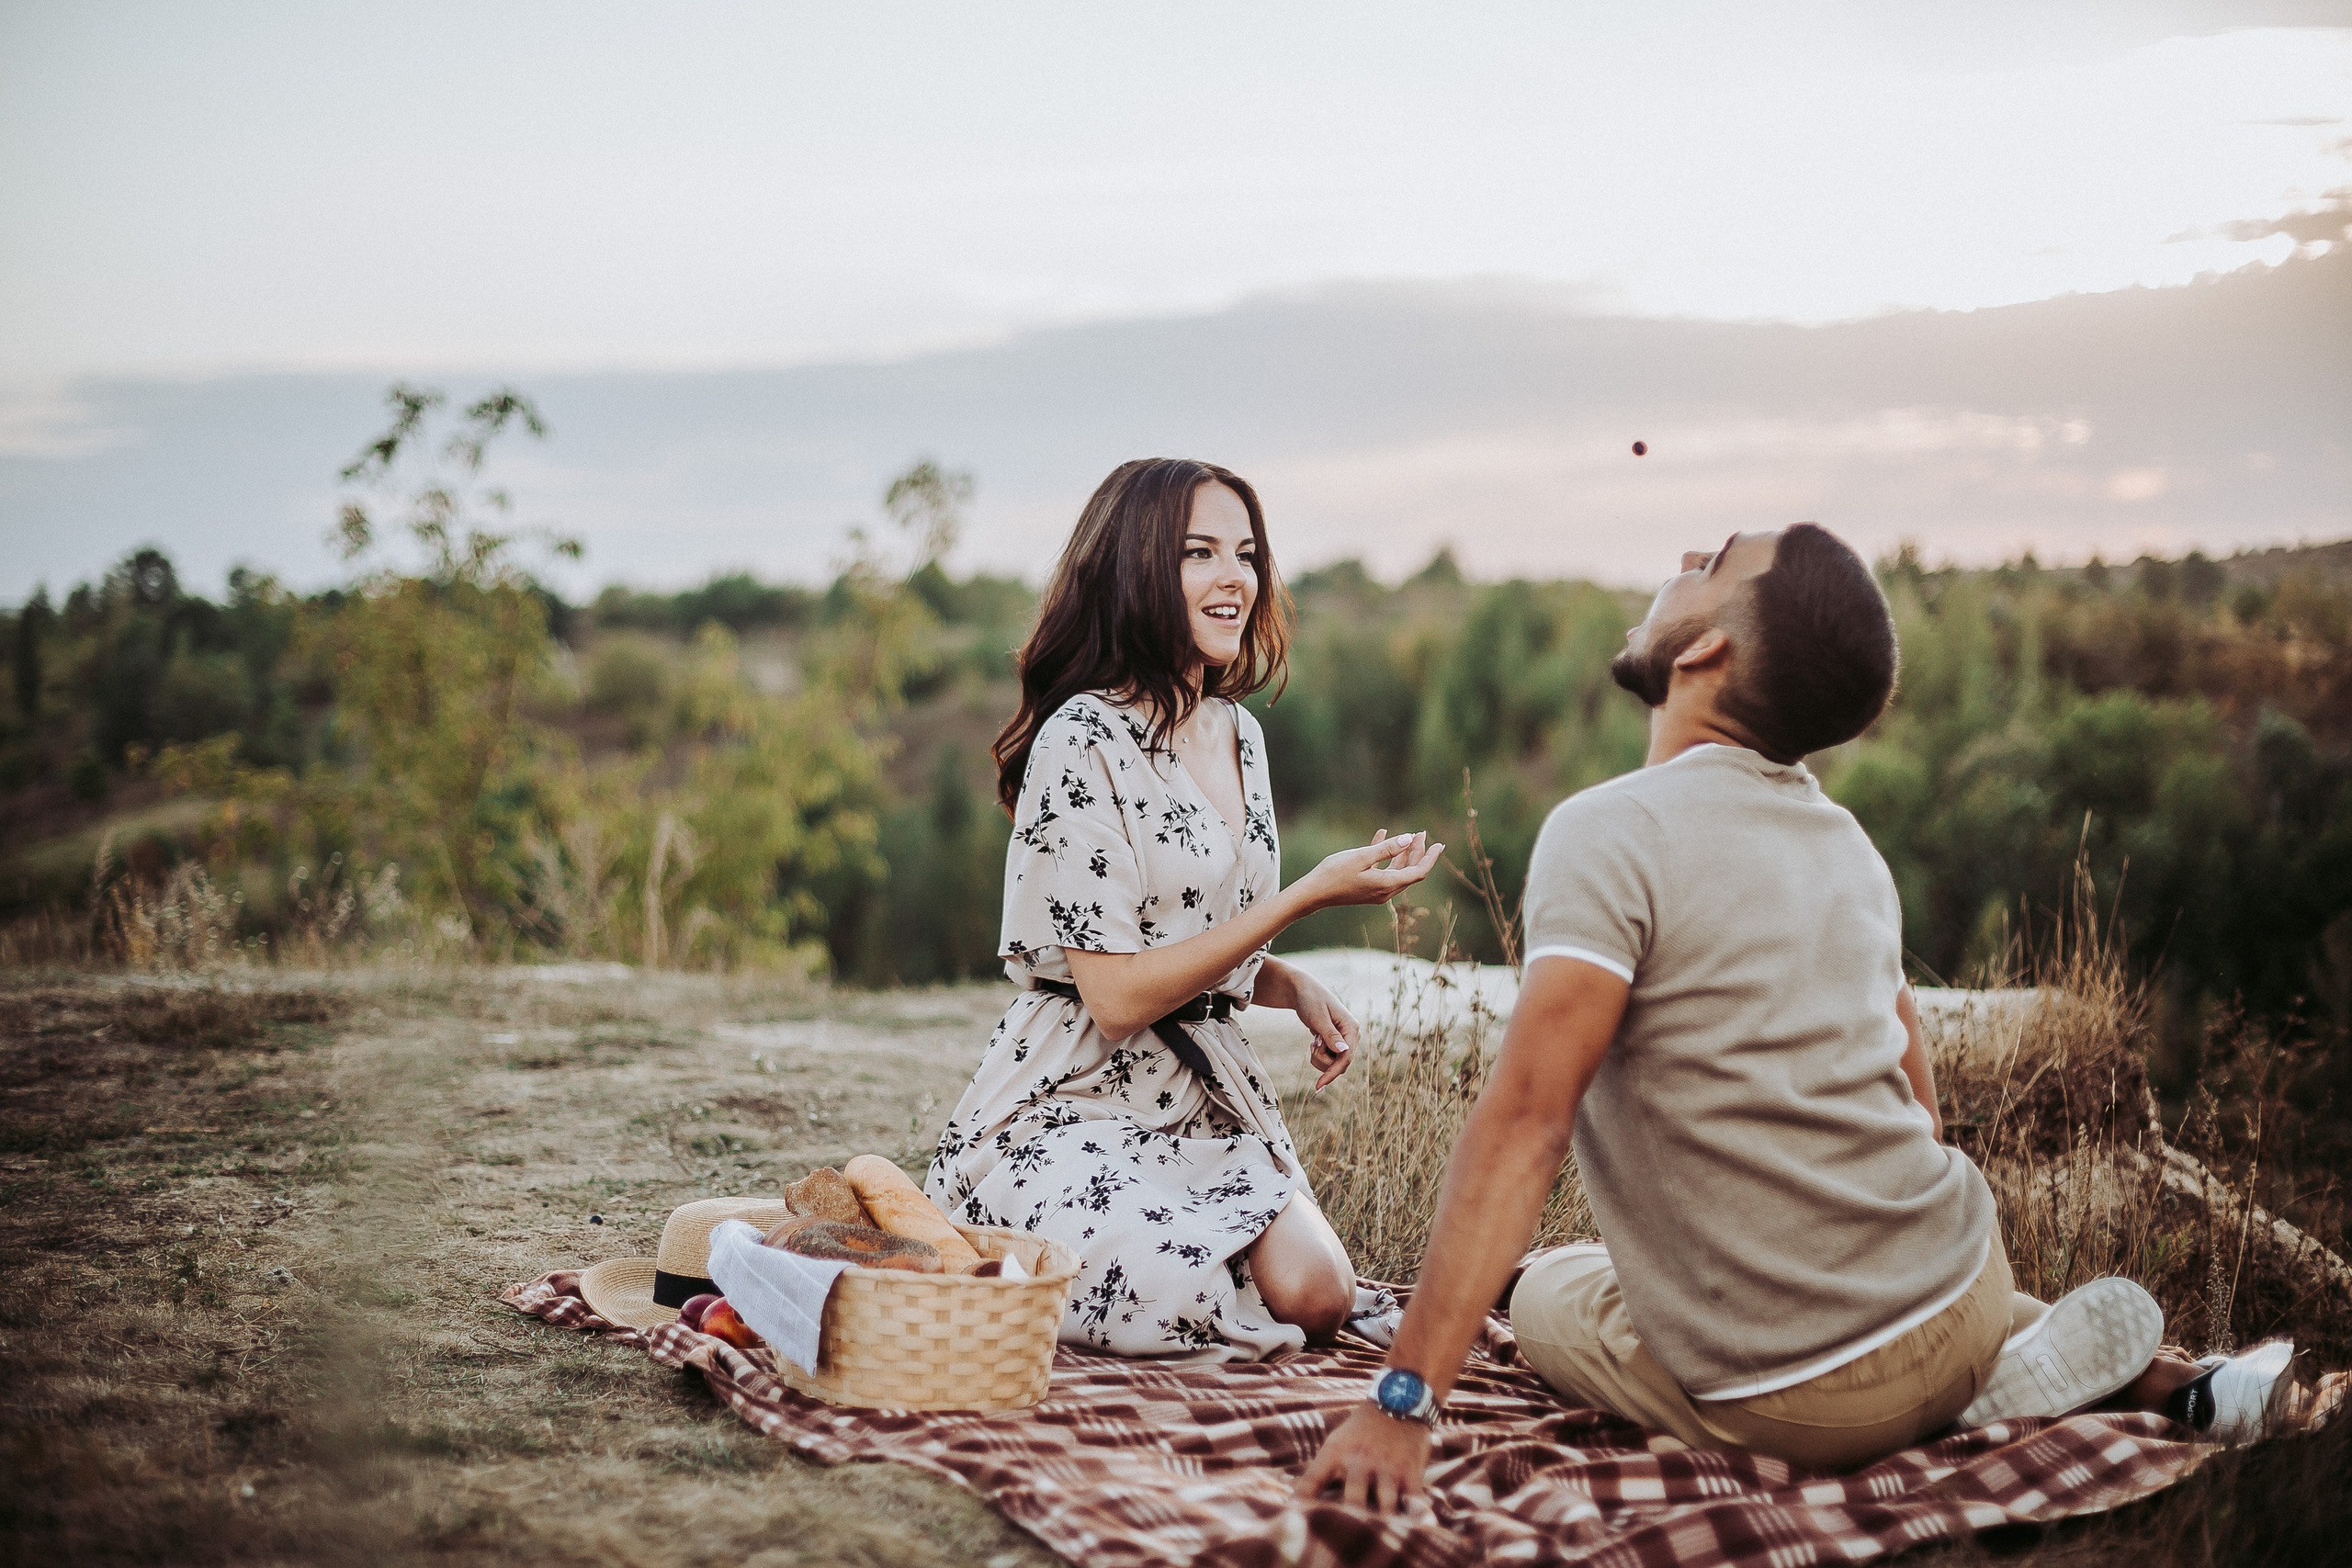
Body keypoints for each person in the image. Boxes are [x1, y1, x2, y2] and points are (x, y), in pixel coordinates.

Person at [1300, 525, 2301, 1508]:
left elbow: (1524, 1126)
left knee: (1553, 1289)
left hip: (1799, 1403)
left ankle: (1909, 1402)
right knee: (1902, 1305)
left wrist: (1402, 1401)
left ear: (1705, 650)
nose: (1687, 555)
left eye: (1715, 559)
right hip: (1964, 1283)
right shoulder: (1846, 843)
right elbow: (1921, 1113)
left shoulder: (1606, 833)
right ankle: (2172, 1384)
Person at [925, 457, 1444, 1360]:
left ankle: (1148, 1245)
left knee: (1319, 1295)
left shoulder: (1240, 733)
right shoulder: (1080, 738)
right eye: (1198, 553)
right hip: (1075, 1093)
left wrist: (1284, 982)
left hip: (1204, 1093)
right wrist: (1309, 895)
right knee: (1168, 1294)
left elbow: (1196, 923)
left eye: (1245, 554)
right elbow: (1118, 996)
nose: (1232, 577)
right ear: (1136, 570)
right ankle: (1002, 1217)